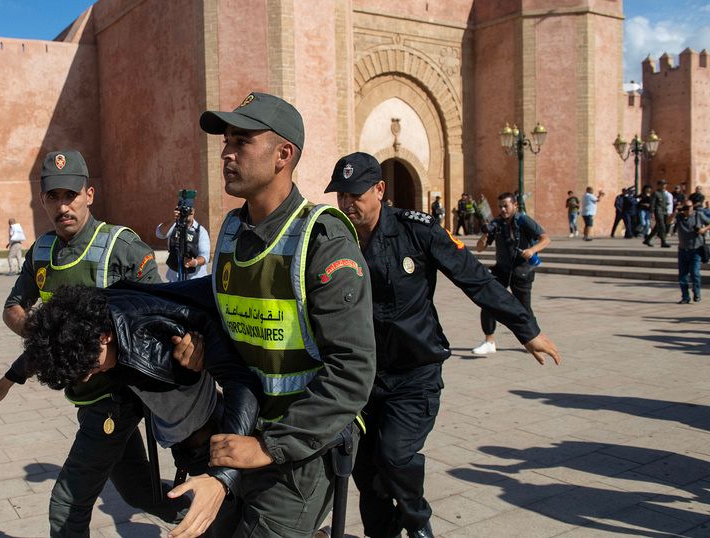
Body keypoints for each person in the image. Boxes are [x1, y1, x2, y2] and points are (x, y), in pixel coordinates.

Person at [326, 152, 561, 538]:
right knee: (366, 472)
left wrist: (526, 328)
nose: (348, 203)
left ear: (380, 190)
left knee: (395, 455)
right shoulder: (335, 237)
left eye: (356, 193)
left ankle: (417, 522)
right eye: (341, 195)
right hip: (361, 376)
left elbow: (475, 278)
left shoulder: (416, 230)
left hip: (415, 373)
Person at [197, 91, 376, 536]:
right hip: (242, 426)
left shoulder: (323, 240)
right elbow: (220, 308)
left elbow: (352, 370)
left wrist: (269, 446)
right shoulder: (234, 230)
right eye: (225, 141)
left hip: (304, 445)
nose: (226, 152)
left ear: (283, 155)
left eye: (241, 140)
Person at [0, 283, 262, 538]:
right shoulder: (90, 318)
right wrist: (4, 384)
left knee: (224, 524)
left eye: (91, 366)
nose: (87, 377)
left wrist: (224, 474)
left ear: (105, 336)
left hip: (214, 439)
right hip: (180, 435)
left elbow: (240, 382)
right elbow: (53, 338)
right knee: (143, 494)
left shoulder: (168, 334)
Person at [2, 150, 189, 535]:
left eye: (70, 194)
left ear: (89, 194)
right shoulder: (41, 251)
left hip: (119, 397)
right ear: (43, 200)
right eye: (53, 196)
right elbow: (13, 306)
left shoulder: (121, 246)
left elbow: (162, 315)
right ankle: (223, 518)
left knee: (66, 505)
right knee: (142, 494)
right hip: (85, 399)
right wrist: (41, 333)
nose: (62, 205)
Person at [472, 192, 552, 355]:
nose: (502, 209)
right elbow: (479, 248)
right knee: (488, 300)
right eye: (500, 206)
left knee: (524, 309)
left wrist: (532, 250)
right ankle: (489, 341)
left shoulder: (523, 220)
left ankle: (535, 340)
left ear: (515, 205)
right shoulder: (496, 223)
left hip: (521, 271)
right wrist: (485, 236)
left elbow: (545, 238)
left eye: (506, 206)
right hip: (501, 269)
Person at [156, 207, 211, 282]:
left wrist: (194, 262)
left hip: (195, 281)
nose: (186, 213)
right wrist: (173, 219)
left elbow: (205, 256)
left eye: (188, 210)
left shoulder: (201, 231)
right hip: (174, 280)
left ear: (193, 211)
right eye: (183, 210)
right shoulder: (173, 226)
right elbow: (159, 234)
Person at [672, 200, 709, 304]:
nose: (688, 210)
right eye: (686, 208)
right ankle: (685, 297)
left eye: (690, 207)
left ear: (693, 207)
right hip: (683, 250)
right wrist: (674, 212)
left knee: (695, 273)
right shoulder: (679, 217)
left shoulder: (699, 215)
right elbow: (668, 222)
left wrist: (704, 229)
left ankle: (697, 293)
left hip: (696, 250)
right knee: (682, 275)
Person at [645, 180, 672, 248]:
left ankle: (647, 240)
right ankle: (663, 242)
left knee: (657, 227)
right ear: (659, 185)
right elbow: (652, 204)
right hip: (658, 211)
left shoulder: (664, 193)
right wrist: (652, 212)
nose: (664, 186)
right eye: (662, 184)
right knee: (662, 226)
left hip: (664, 211)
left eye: (665, 184)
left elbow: (665, 203)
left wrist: (668, 210)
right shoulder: (655, 193)